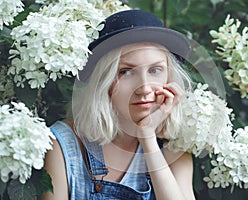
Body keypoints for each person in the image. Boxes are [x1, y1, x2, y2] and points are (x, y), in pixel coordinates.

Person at [42, 9, 195, 200]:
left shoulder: (174, 149)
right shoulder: (63, 145)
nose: (145, 88)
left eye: (155, 70)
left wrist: (147, 137)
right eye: (126, 72)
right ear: (102, 81)